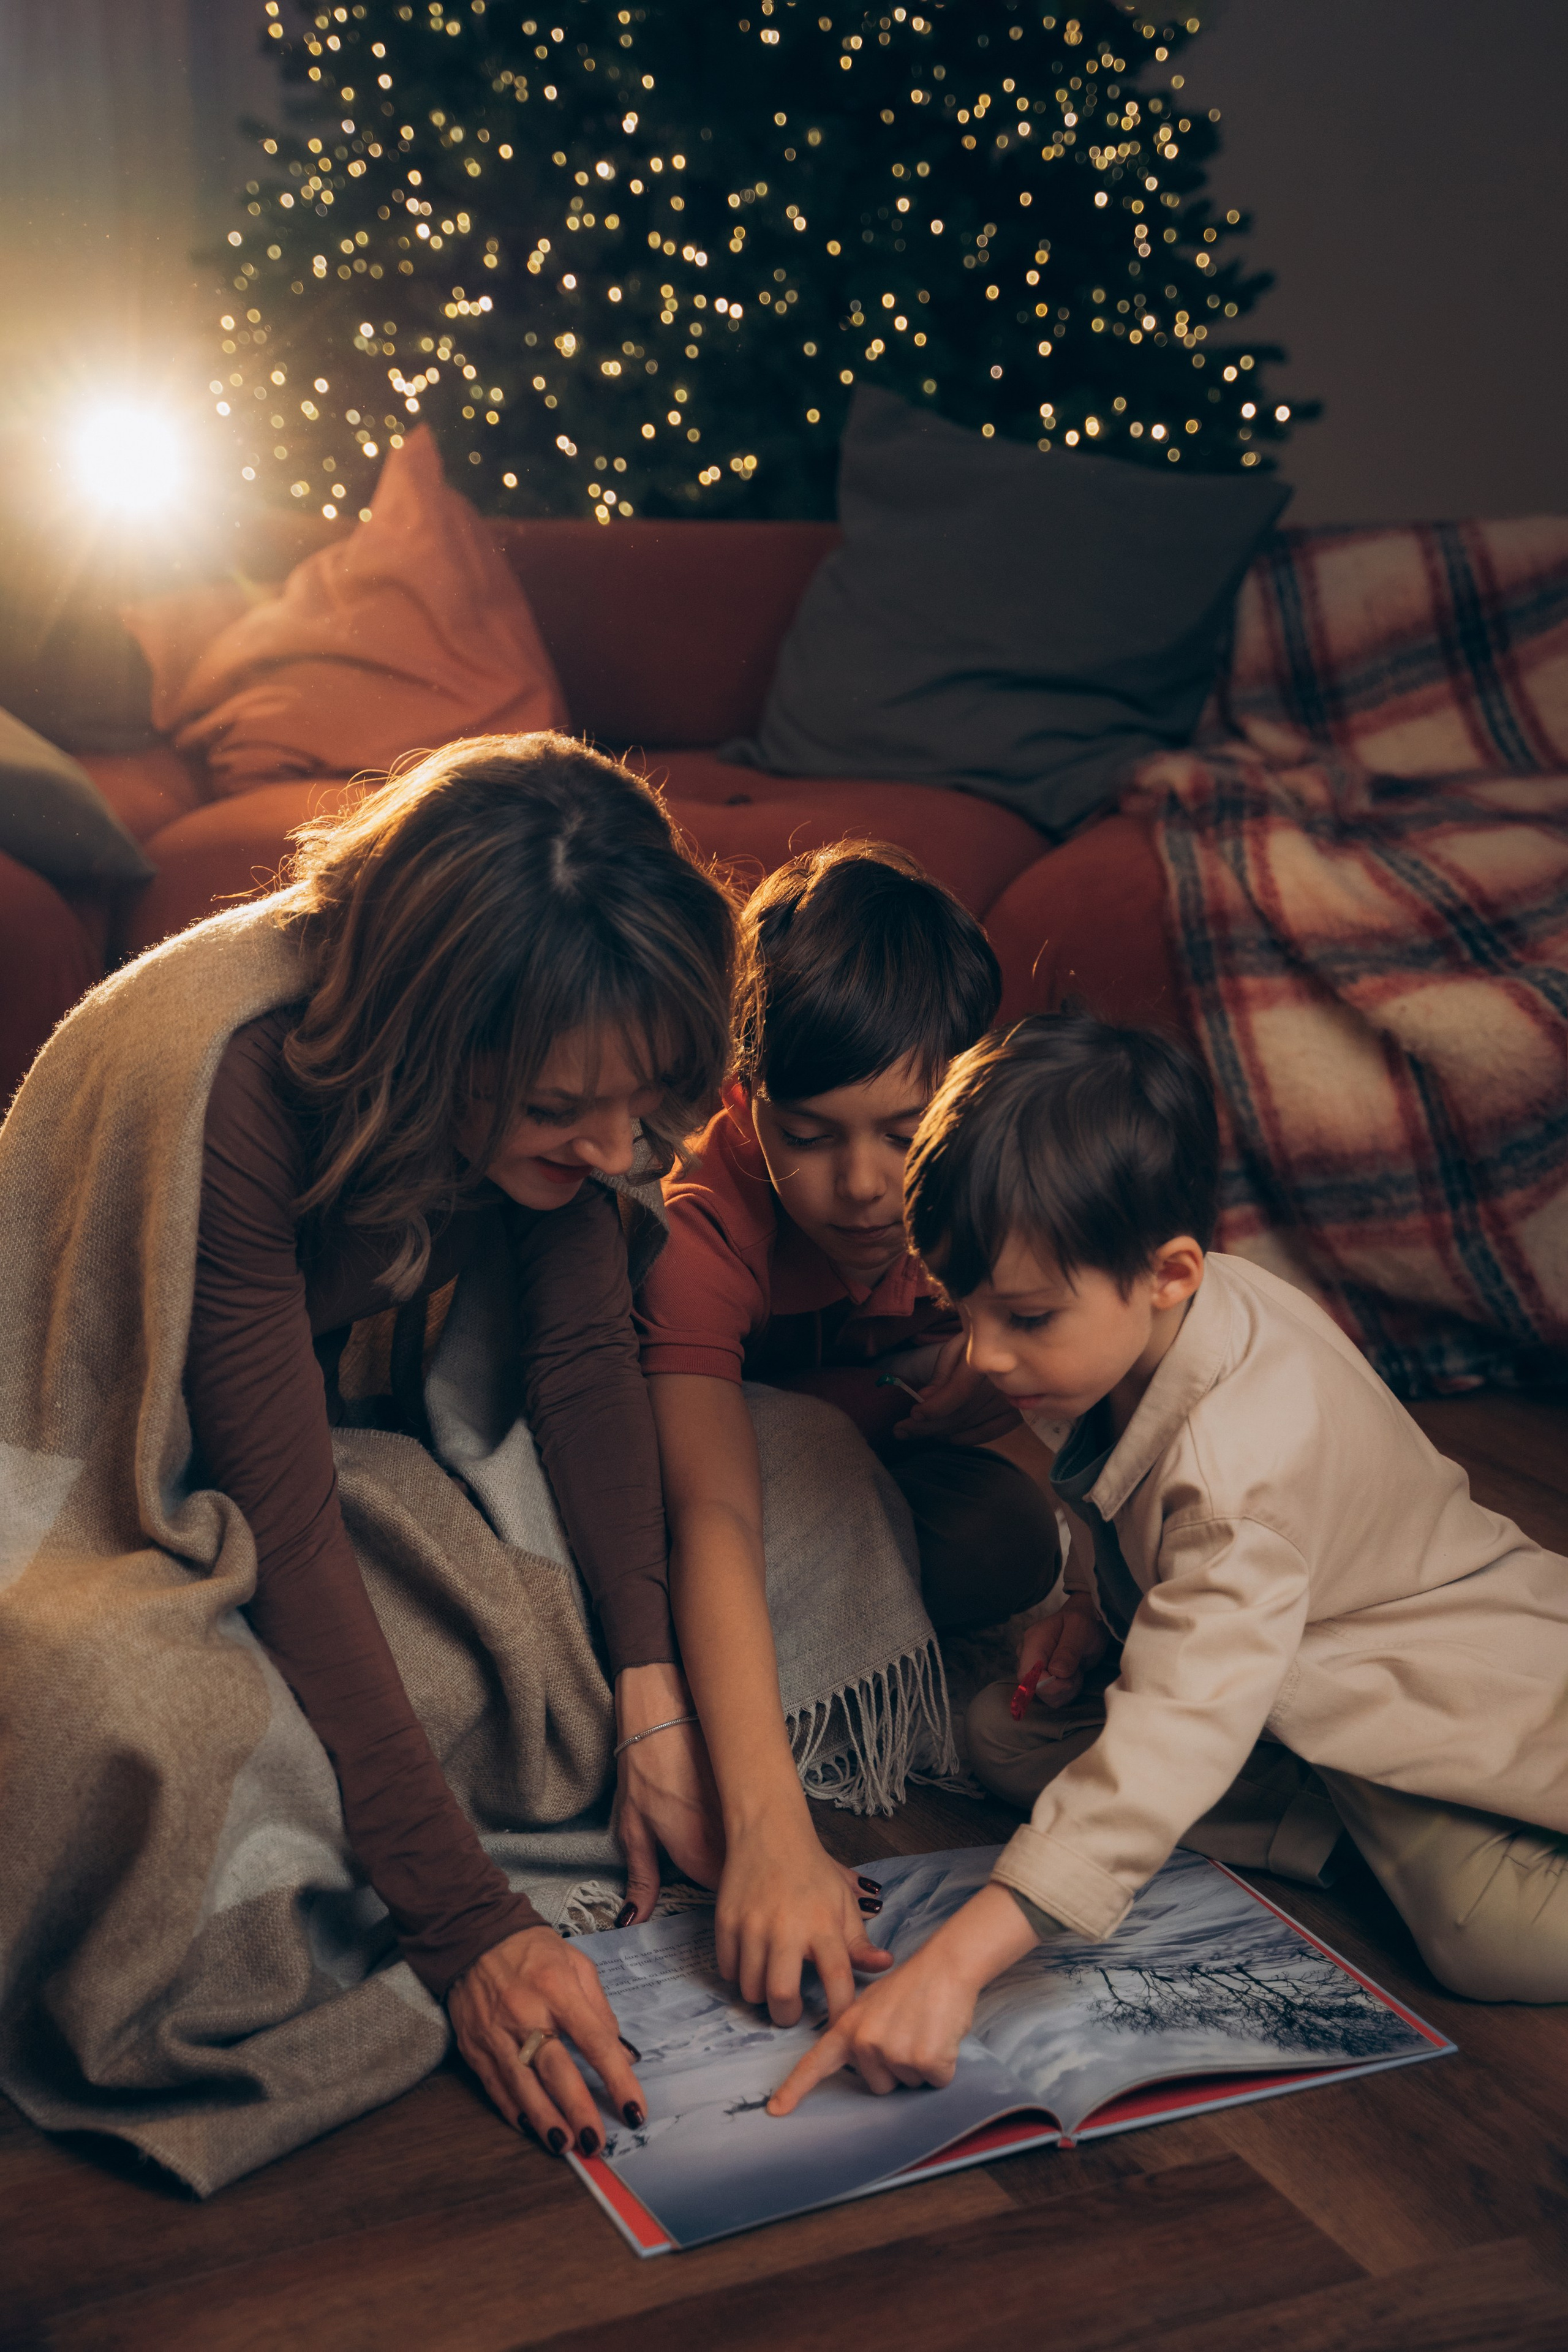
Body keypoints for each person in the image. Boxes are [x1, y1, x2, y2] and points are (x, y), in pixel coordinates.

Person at [771, 1011, 1568, 2116]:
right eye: (967, 1311)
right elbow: (1128, 1513)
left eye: (1026, 1317)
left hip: (1418, 1683)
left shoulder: (1241, 1476)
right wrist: (1092, 1607)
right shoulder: (1117, 1335)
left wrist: (951, 1967)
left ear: (1169, 1273)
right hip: (1263, 1673)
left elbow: (1180, 1691)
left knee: (1485, 1935)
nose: (987, 1356)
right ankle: (1328, 1832)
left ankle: (1363, 1831)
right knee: (1006, 1739)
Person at [184, 735, 734, 2154]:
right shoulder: (239, 1080)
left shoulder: (579, 1119)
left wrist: (655, 1689)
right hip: (104, 1451)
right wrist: (468, 1928)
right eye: (558, 1111)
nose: (617, 1151)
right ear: (433, 1052)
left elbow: (578, 1355)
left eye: (639, 1100)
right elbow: (283, 1517)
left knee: (776, 1511)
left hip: (302, 1426)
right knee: (131, 1715)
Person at [636, 845, 1061, 2037]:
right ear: (740, 1104)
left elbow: (1095, 1424)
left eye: (901, 1129)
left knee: (1013, 1536)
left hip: (896, 1477)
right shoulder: (695, 1230)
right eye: (811, 1134)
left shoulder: (992, 1184)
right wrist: (774, 1829)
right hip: (709, 1482)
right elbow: (706, 1510)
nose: (865, 1185)